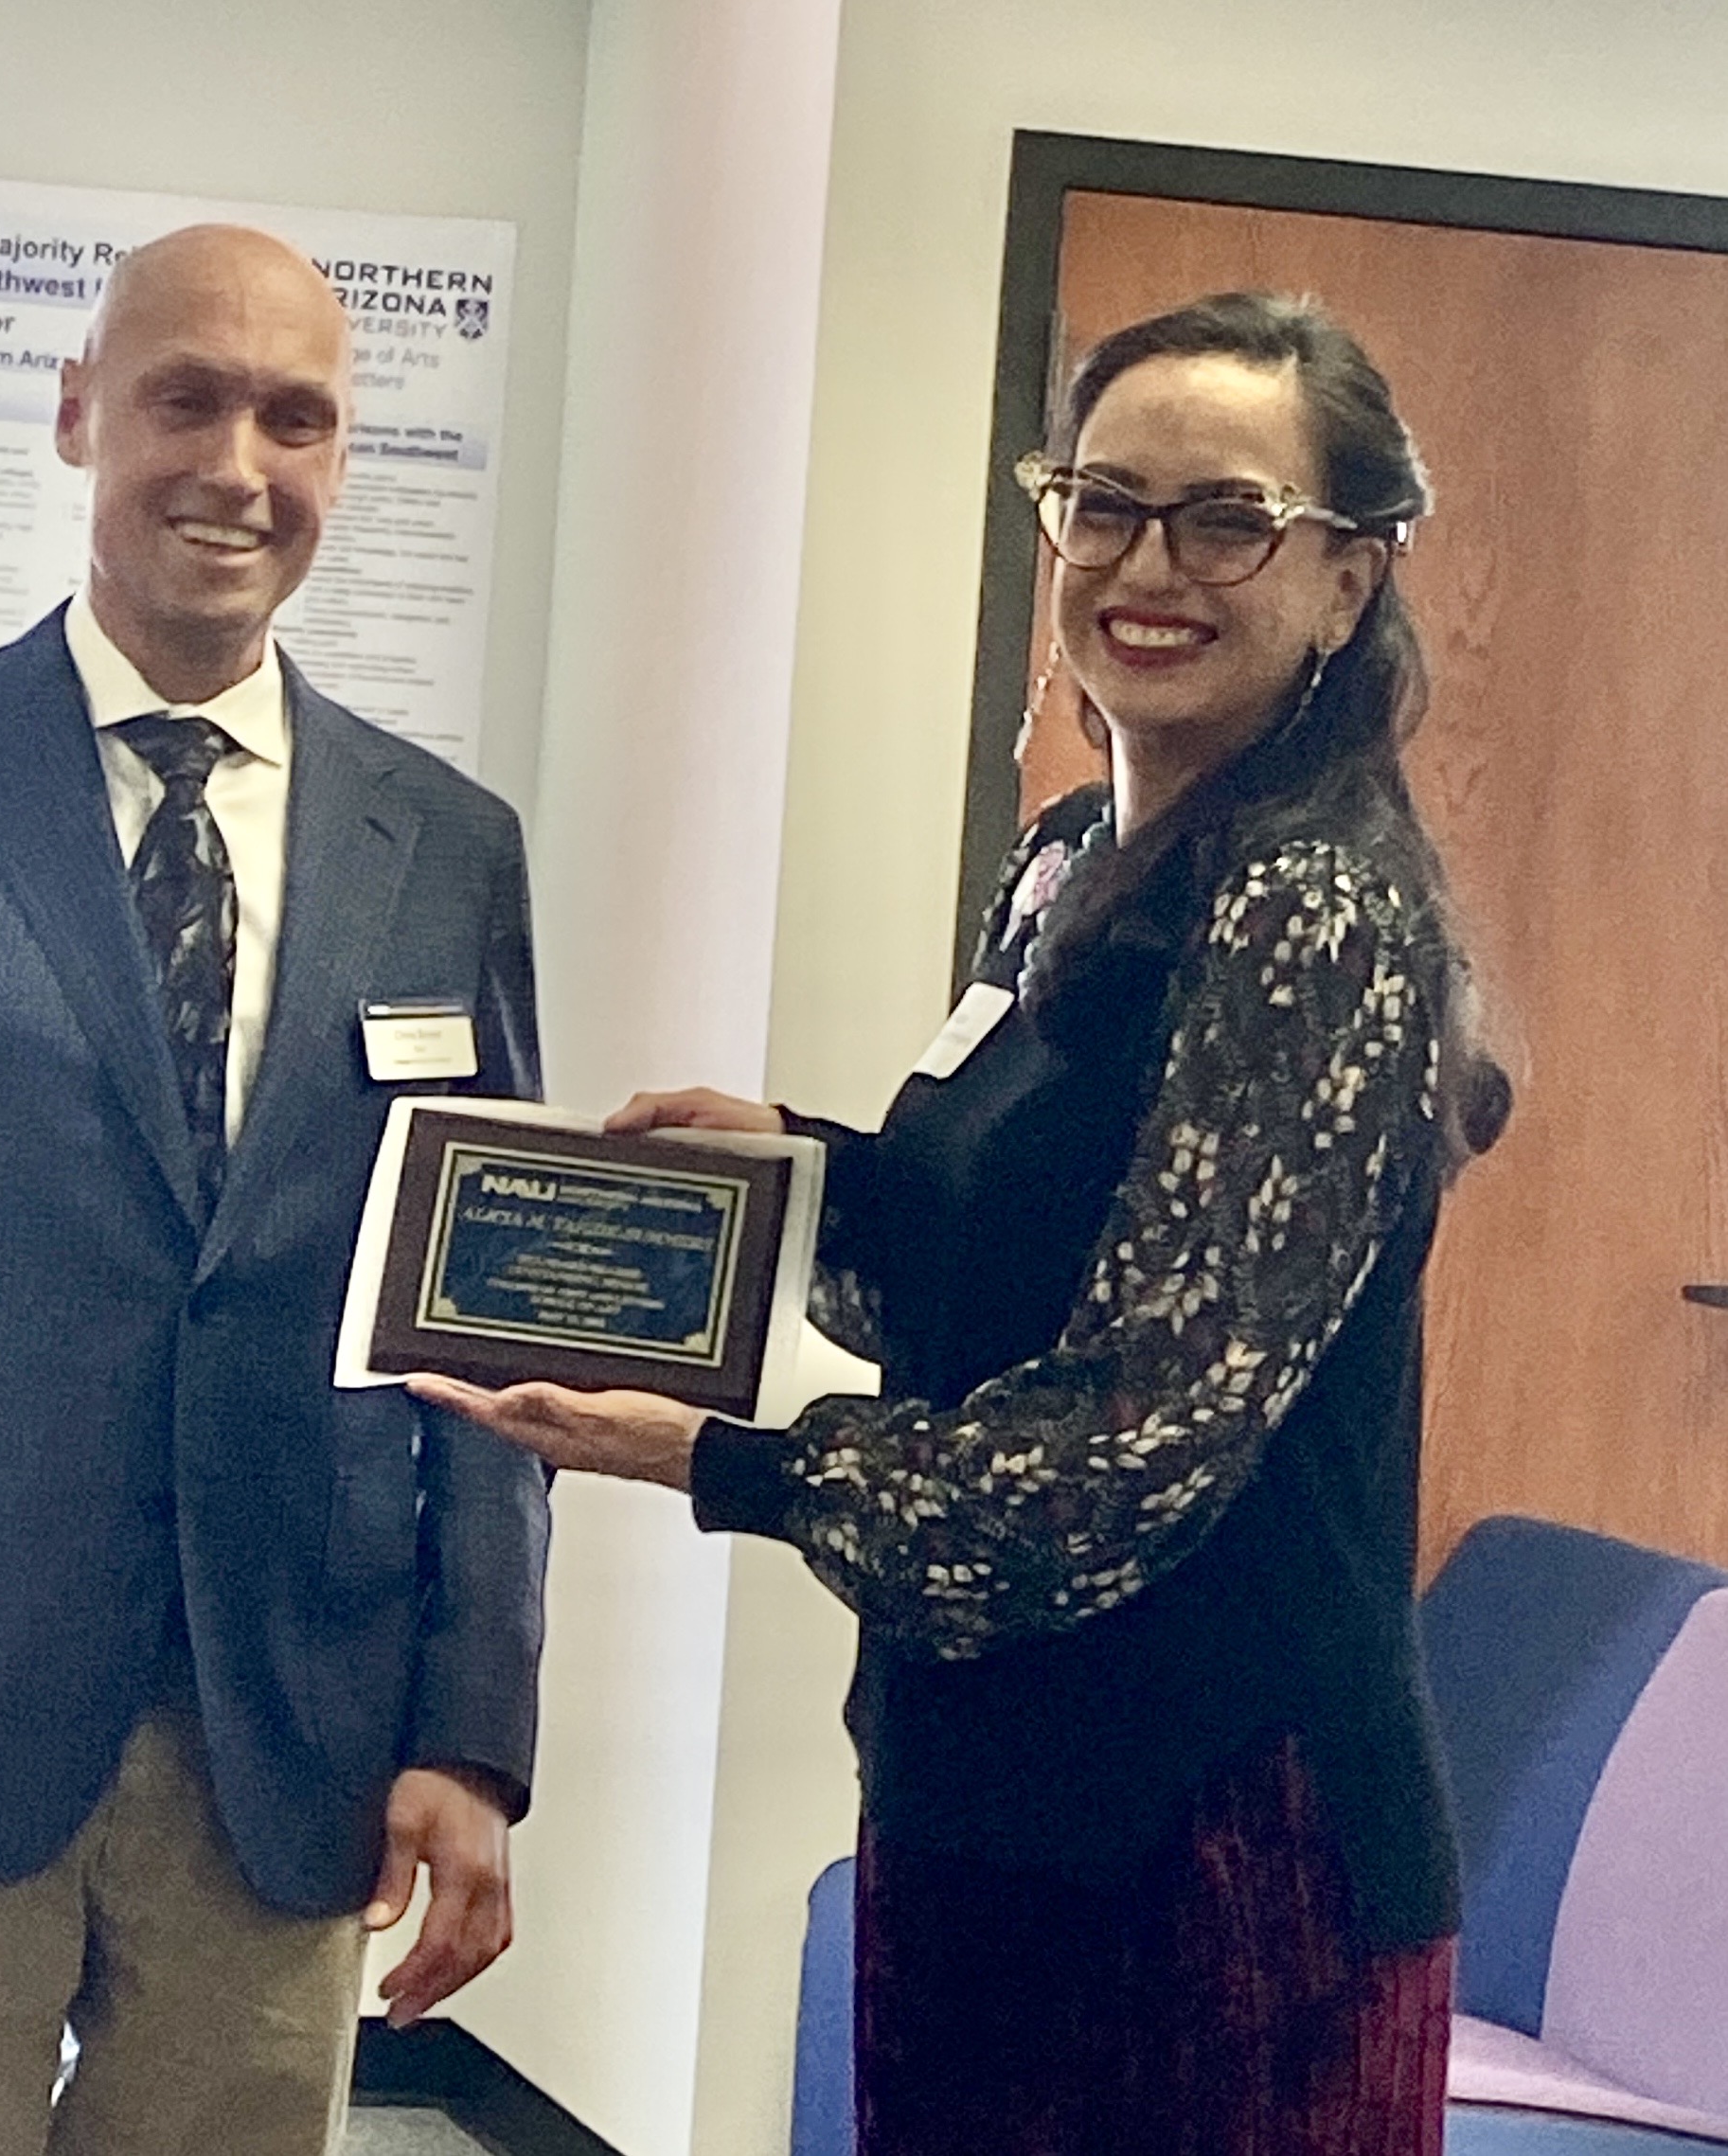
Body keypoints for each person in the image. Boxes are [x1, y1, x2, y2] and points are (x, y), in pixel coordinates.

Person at [414, 292, 1503, 2156]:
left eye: (1222, 518)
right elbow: (958, 1276)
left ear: (1343, 576)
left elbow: (1116, 1457)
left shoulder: (1310, 906)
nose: (1144, 564)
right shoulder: (1070, 857)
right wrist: (788, 1175)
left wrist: (713, 1456)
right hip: (977, 1792)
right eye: (1103, 501)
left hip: (1215, 1857)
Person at [0, 223, 548, 2156]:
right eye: (185, 399)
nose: (238, 462)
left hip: (284, 1746)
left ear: (339, 454)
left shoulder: (445, 848)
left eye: (293, 416)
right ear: (79, 416)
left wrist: (467, 1733)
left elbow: (478, 1327)